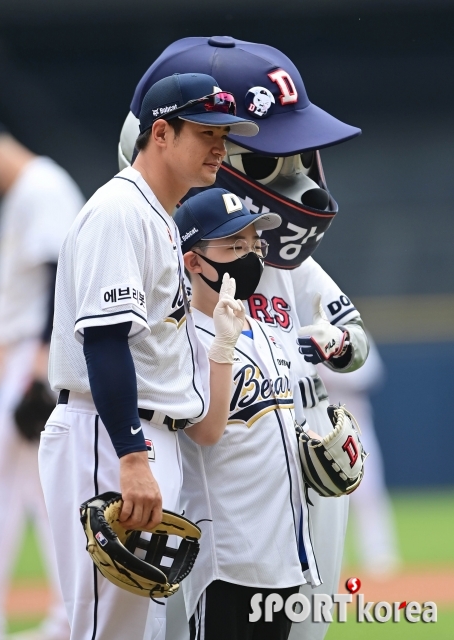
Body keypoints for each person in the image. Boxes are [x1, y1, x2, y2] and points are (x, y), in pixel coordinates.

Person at [118, 37, 370, 640]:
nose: (300, 184)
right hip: (213, 499)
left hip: (299, 478)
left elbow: (353, 338)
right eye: (264, 161)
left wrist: (329, 350)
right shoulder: (146, 255)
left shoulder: (282, 261)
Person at [38, 73, 259, 640]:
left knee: (147, 629)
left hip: (139, 436)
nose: (221, 146)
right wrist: (132, 457)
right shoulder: (120, 211)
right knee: (108, 629)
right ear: (161, 132)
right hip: (110, 435)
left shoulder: (160, 215)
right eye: (206, 130)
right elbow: (105, 340)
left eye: (225, 133)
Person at [174, 187, 323, 640]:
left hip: (283, 556)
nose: (249, 256)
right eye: (232, 246)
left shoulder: (265, 333)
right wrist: (221, 347)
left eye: (253, 244)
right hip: (227, 559)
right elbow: (207, 431)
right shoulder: (181, 337)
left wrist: (314, 453)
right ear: (193, 261)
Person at [0, 117, 84, 640]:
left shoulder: (41, 184)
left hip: (33, 354)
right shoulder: (32, 186)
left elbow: (59, 267)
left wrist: (42, 363)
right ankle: (67, 619)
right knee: (38, 494)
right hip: (23, 353)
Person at [318, 339, 401, 576]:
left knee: (368, 490)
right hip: (317, 422)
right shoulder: (296, 330)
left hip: (355, 420)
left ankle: (378, 553)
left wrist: (333, 371)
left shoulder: (351, 331)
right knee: (323, 498)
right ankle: (329, 559)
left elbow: (371, 373)